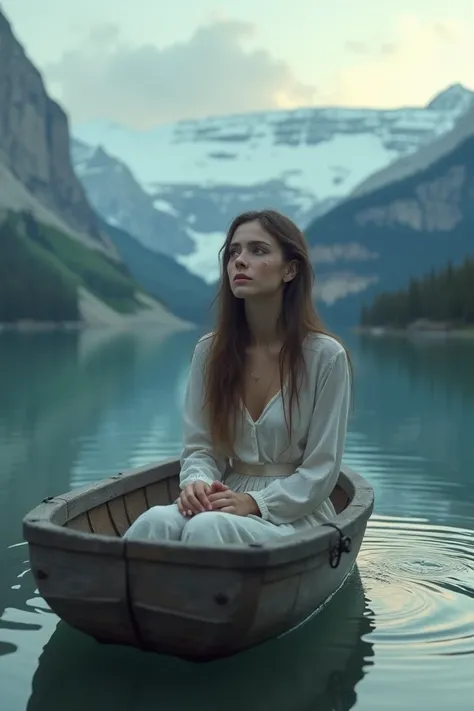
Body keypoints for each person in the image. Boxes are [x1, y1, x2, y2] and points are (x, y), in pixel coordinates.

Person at [124, 209, 352, 546]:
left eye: (258, 251)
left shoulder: (325, 357)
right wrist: (197, 484)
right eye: (234, 252)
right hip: (225, 496)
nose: (240, 261)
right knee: (154, 521)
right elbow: (201, 449)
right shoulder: (209, 352)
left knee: (207, 529)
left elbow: (321, 471)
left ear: (290, 269)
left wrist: (257, 503)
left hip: (297, 513)